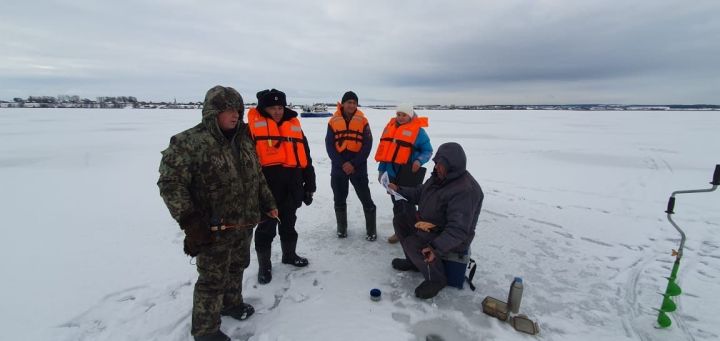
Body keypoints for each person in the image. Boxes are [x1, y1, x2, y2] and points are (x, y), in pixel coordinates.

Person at [158, 85, 278, 341]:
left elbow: (257, 175)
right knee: (212, 278)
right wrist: (190, 221)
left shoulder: (244, 139)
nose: (234, 115)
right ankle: (205, 331)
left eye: (237, 110)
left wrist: (267, 202)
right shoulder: (189, 142)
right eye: (227, 110)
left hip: (243, 223)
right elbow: (170, 184)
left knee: (237, 266)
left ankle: (231, 304)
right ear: (213, 112)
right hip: (212, 228)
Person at [388, 142, 483, 299]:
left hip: (452, 237)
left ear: (452, 166)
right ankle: (414, 262)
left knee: (414, 242)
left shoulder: (465, 191)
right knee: (401, 220)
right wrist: (398, 190)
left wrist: (435, 248)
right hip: (431, 225)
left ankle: (437, 279)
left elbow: (458, 230)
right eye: (436, 162)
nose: (437, 166)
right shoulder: (439, 177)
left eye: (441, 164)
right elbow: (420, 193)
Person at [247, 89, 316, 285]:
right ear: (263, 108)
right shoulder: (250, 130)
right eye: (272, 108)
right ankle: (264, 266)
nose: (277, 111)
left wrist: (309, 185)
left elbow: (306, 157)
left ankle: (289, 255)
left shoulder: (294, 127)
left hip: (292, 186)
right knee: (265, 229)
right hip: (266, 189)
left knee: (289, 224)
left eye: (280, 107)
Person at [375, 103, 432, 244]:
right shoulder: (390, 128)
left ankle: (413, 234)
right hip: (391, 173)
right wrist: (381, 171)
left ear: (410, 116)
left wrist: (419, 161)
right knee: (396, 204)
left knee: (408, 206)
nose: (400, 117)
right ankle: (399, 231)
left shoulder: (418, 132)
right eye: (398, 114)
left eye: (404, 115)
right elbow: (385, 152)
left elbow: (428, 150)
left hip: (408, 174)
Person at [325, 91, 377, 240]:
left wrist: (353, 163)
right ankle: (342, 229)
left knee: (366, 198)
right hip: (338, 167)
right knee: (339, 198)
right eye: (349, 102)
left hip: (358, 166)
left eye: (354, 103)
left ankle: (371, 231)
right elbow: (329, 145)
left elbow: (367, 145)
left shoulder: (363, 121)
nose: (352, 105)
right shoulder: (333, 121)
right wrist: (342, 164)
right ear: (343, 104)